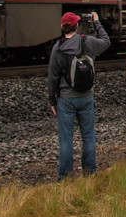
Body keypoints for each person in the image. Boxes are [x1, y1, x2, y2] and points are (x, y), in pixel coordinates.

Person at [47, 11, 110, 181]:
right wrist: (97, 23)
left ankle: (65, 176)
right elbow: (106, 42)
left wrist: (52, 100)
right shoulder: (87, 41)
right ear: (76, 26)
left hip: (66, 98)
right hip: (86, 96)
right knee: (88, 136)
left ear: (62, 27)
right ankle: (90, 173)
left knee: (66, 139)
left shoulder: (58, 48)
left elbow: (52, 76)